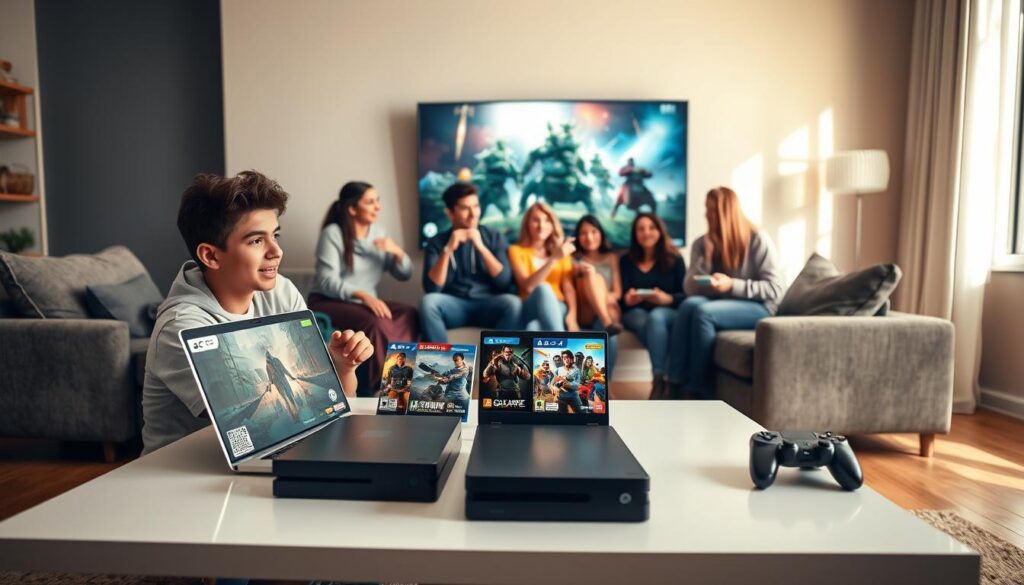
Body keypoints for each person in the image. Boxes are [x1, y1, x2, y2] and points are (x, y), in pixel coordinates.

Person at [142, 171, 372, 455]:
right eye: (256, 241)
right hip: (182, 481)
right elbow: (260, 433)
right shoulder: (182, 328)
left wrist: (343, 366)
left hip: (267, 461)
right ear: (211, 256)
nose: (276, 251)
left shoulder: (280, 291)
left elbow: (334, 406)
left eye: (275, 236)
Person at [667, 186, 783, 399]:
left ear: (726, 212)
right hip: (720, 304)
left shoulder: (757, 239)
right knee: (688, 305)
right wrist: (706, 258)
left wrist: (732, 285)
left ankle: (696, 390)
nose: (706, 215)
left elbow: (774, 288)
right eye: (706, 210)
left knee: (704, 312)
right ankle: (673, 384)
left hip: (758, 307)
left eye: (711, 210)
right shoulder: (703, 243)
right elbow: (689, 289)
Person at [308, 181, 418, 392]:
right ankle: (377, 388)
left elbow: (403, 274)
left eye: (378, 201)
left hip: (363, 303)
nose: (378, 207)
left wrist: (397, 252)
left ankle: (404, 378)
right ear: (352, 208)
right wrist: (365, 296)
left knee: (410, 313)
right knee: (376, 322)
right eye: (370, 202)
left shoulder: (378, 233)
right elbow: (326, 280)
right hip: (327, 301)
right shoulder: (334, 233)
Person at [420, 182, 521, 342]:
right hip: (454, 306)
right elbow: (432, 288)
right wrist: (447, 250)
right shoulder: (436, 243)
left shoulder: (494, 236)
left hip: (488, 304)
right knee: (429, 303)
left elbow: (504, 282)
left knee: (512, 303)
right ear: (450, 213)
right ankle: (440, 364)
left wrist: (481, 247)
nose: (473, 213)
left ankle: (498, 364)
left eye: (476, 206)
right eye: (465, 208)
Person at [619, 212, 687, 400]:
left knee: (656, 317)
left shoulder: (675, 258)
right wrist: (628, 299)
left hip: (666, 311)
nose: (646, 232)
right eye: (641, 229)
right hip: (636, 311)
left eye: (651, 227)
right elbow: (622, 297)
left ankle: (658, 379)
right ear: (635, 234)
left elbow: (685, 296)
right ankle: (667, 379)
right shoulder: (626, 260)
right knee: (648, 321)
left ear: (659, 230)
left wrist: (667, 299)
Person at [508, 202, 578, 331]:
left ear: (552, 225)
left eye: (546, 220)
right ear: (527, 224)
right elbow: (529, 287)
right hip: (530, 307)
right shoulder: (516, 251)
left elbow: (568, 288)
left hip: (558, 306)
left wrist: (572, 317)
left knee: (533, 328)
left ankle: (555, 347)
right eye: (536, 220)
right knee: (543, 288)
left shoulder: (562, 252)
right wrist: (554, 259)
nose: (541, 226)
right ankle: (561, 344)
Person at [553, 349, 584, 413]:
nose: (566, 360)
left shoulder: (577, 370)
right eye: (564, 358)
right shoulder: (558, 370)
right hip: (561, 397)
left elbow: (578, 385)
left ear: (572, 359)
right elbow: (553, 383)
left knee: (581, 413)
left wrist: (569, 384)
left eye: (568, 357)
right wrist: (554, 388)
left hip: (573, 397)